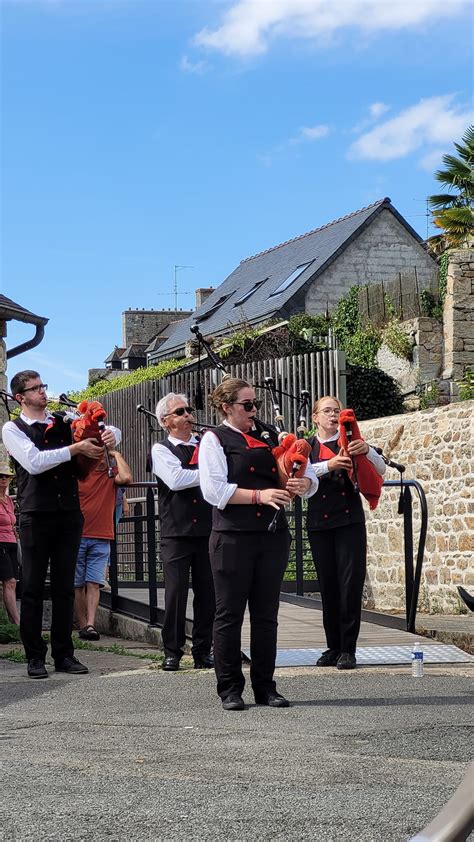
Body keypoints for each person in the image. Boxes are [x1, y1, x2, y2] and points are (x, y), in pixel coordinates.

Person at [198, 378, 318, 711]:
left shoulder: (268, 435)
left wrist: (303, 481)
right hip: (232, 538)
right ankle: (230, 689)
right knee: (229, 614)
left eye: (256, 404)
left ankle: (266, 687)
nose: (254, 411)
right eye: (247, 405)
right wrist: (259, 495)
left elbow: (308, 474)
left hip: (272, 535)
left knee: (266, 615)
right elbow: (214, 491)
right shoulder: (214, 439)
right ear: (227, 407)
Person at [1, 371, 119, 679]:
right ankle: (34, 657)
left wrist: (108, 435)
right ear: (20, 397)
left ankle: (64, 654)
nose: (43, 391)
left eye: (43, 386)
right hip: (35, 515)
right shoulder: (12, 428)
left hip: (68, 512)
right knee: (33, 587)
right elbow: (34, 461)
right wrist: (74, 450)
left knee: (67, 586)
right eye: (35, 388)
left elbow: (110, 429)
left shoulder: (64, 419)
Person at [307, 395, 386, 670]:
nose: (332, 415)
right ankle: (332, 646)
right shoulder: (307, 446)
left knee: (350, 584)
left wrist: (366, 451)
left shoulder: (352, 440)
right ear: (315, 417)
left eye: (336, 411)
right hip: (319, 523)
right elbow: (301, 481)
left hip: (349, 521)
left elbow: (380, 469)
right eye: (327, 411)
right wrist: (328, 465)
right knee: (328, 586)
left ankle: (348, 649)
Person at [152, 393, 215, 671]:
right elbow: (176, 480)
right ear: (166, 421)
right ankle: (172, 651)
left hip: (208, 529)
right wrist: (212, 471)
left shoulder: (206, 444)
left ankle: (203, 650)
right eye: (180, 411)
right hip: (176, 532)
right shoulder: (161, 449)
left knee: (208, 593)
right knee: (175, 593)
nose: (188, 415)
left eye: (188, 410)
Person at [75, 449, 132, 640]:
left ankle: (90, 625)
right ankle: (83, 624)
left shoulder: (109, 473)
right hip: (77, 534)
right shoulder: (76, 471)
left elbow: (126, 477)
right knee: (77, 584)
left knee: (94, 582)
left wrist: (116, 454)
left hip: (101, 534)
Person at [0, 462, 20, 625]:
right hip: (0, 543)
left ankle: (13, 621)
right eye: (0, 476)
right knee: (9, 581)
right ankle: (17, 622)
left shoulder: (8, 500)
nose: (3, 479)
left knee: (12, 582)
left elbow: (12, 522)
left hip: (12, 542)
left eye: (6, 476)